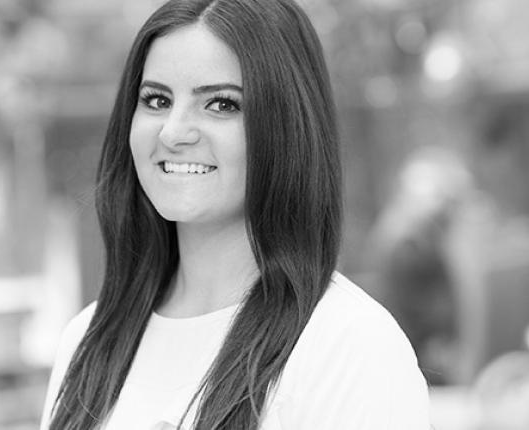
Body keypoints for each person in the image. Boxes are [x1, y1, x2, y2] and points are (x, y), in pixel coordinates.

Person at [40, 0, 430, 429]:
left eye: (222, 104)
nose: (173, 132)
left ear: (287, 126)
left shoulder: (349, 346)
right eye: (157, 100)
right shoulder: (88, 339)